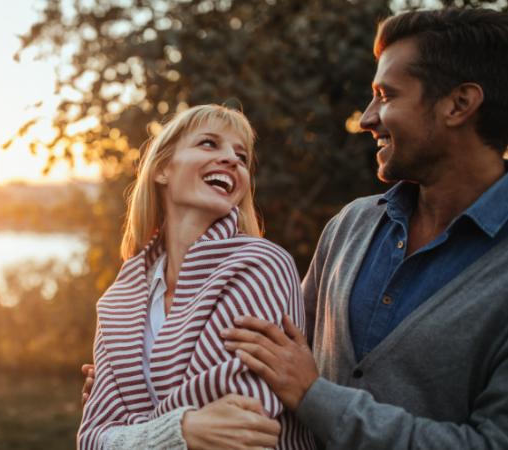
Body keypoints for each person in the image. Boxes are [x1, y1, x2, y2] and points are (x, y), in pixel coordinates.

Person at [220, 8, 508, 449]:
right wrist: (133, 387)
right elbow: (274, 354)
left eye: (386, 95)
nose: (367, 118)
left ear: (459, 104)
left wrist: (316, 397)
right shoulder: (351, 224)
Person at [77, 104, 315, 450]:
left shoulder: (262, 266)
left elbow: (244, 422)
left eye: (242, 156)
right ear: (162, 170)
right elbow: (90, 439)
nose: (231, 160)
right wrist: (181, 429)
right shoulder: (117, 302)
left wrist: (127, 432)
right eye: (209, 143)